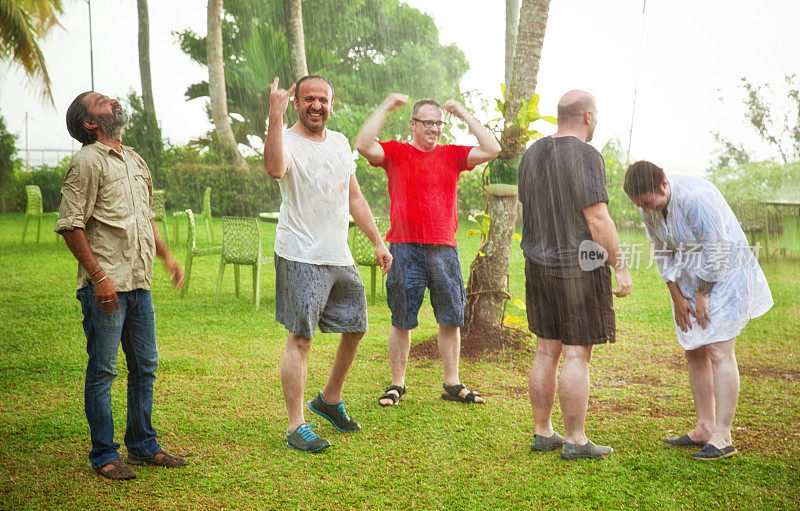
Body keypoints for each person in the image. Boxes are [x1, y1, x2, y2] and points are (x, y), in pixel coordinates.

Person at [56, 91, 187, 480]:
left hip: (139, 283)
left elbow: (144, 218)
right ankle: (104, 454)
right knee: (103, 371)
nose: (112, 99)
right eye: (101, 101)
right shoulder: (85, 162)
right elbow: (71, 224)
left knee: (145, 366)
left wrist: (166, 256)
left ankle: (143, 445)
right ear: (89, 123)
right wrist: (99, 278)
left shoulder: (135, 159)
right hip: (106, 288)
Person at [264, 75, 392, 453]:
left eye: (322, 99)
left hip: (339, 253)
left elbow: (355, 198)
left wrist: (378, 242)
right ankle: (295, 426)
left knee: (356, 326)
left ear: (331, 103)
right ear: (297, 103)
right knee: (300, 339)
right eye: (308, 99)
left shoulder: (338, 143)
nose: (316, 105)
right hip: (300, 252)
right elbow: (274, 169)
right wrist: (274, 116)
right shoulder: (284, 139)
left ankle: (330, 398)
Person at [355, 93, 500, 407]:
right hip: (404, 248)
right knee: (401, 318)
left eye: (439, 123)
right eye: (428, 123)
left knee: (450, 318)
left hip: (443, 250)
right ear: (413, 125)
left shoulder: (452, 155)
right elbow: (364, 144)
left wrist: (463, 114)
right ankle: (397, 385)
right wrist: (384, 107)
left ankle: (452, 383)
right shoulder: (396, 152)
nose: (435, 128)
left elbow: (493, 149)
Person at [624, 160, 773, 461]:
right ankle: (704, 426)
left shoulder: (695, 196)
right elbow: (660, 250)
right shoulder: (647, 207)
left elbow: (719, 245)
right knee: (694, 350)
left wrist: (704, 293)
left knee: (719, 350)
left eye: (650, 202)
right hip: (688, 278)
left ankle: (724, 435)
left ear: (664, 183)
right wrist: (676, 295)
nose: (647, 210)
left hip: (726, 274)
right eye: (641, 205)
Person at [518, 90, 633, 460]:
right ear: (586, 116)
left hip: (537, 263)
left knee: (545, 350)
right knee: (576, 355)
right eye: (595, 115)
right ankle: (576, 440)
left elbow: (528, 211)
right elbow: (597, 219)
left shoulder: (532, 154)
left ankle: (542, 432)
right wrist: (621, 266)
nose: (596, 121)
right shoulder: (585, 155)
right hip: (578, 267)